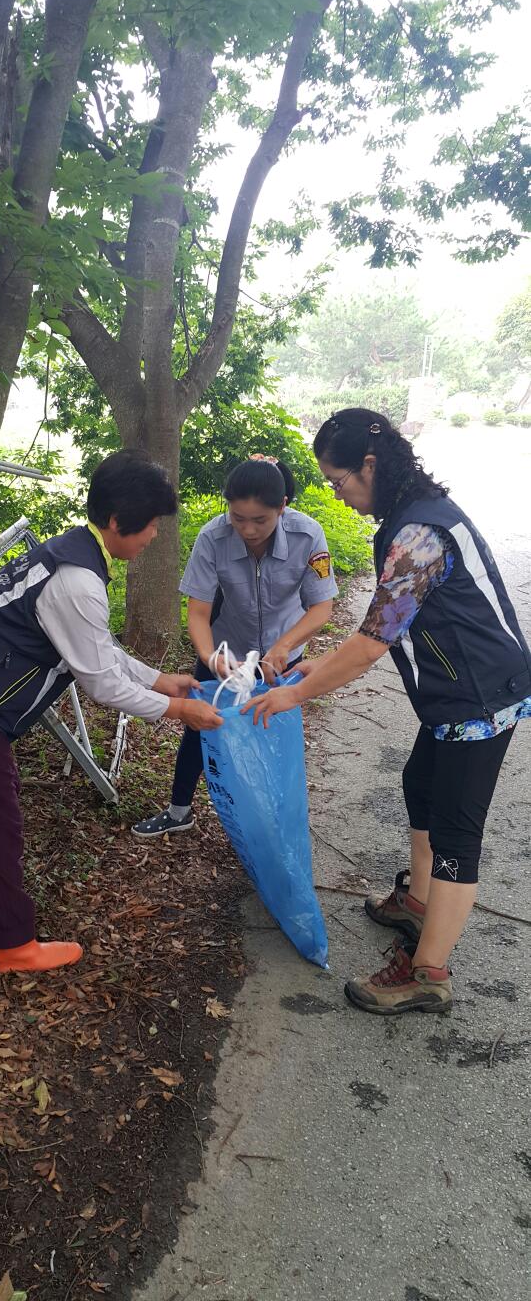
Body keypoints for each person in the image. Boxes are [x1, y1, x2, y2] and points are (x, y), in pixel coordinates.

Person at [244, 408, 531, 1015]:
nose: (337, 494)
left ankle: (428, 973)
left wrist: (294, 693)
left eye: (338, 480)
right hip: (453, 691)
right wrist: (313, 668)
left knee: (455, 834)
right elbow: (381, 626)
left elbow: (372, 643)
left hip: (479, 698)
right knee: (418, 784)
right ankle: (418, 905)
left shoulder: (419, 534)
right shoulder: (408, 513)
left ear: (370, 465)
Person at [0, 451, 223, 975]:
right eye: (150, 525)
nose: (153, 536)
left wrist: (157, 679)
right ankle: (13, 945)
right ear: (118, 521)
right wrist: (178, 709)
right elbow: (100, 681)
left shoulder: (75, 554)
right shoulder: (79, 581)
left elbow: (93, 647)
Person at [133, 456, 338, 838]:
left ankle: (269, 822)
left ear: (282, 507)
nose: (248, 529)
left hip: (282, 659)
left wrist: (284, 646)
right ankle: (179, 811)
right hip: (225, 653)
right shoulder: (213, 537)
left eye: (260, 520)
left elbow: (321, 607)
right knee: (200, 727)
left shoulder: (308, 536)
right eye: (238, 518)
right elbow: (198, 612)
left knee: (270, 733)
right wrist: (210, 655)